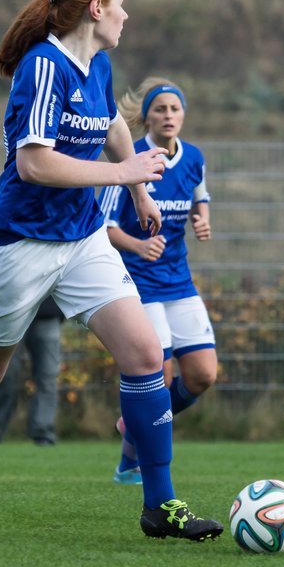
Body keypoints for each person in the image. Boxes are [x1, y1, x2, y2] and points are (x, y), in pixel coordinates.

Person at [0, 0, 222, 542]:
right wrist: (122, 179)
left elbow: (114, 128)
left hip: (84, 237)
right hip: (17, 245)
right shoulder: (44, 67)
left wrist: (139, 188)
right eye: (120, 3)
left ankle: (159, 504)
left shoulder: (96, 64)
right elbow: (34, 164)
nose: (127, 13)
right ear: (96, 9)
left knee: (145, 354)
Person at [99, 78, 218, 485]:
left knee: (203, 375)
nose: (169, 116)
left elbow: (200, 195)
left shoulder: (194, 157)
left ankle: (135, 426)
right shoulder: (130, 157)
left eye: (175, 109)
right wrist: (137, 245)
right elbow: (105, 228)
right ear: (146, 116)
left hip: (179, 281)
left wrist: (202, 218)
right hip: (140, 284)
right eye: (161, 109)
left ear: (184, 115)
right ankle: (133, 462)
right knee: (158, 377)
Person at [0, 295, 64, 446]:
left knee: (47, 377)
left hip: (48, 312)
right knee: (4, 375)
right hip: (10, 311)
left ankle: (43, 434)